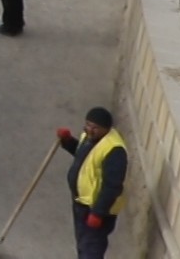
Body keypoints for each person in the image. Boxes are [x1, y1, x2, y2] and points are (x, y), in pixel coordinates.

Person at [57, 107, 126, 259]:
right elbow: (83, 156)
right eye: (88, 124)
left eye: (95, 127)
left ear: (106, 129)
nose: (90, 129)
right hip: (82, 204)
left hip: (97, 210)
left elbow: (112, 186)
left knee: (92, 249)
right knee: (83, 245)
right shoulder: (89, 138)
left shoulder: (114, 150)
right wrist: (67, 141)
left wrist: (98, 213)